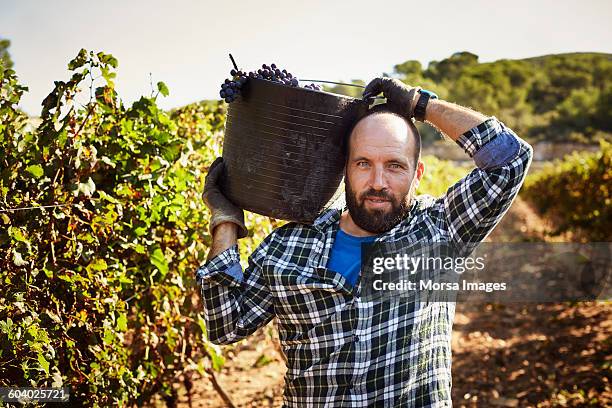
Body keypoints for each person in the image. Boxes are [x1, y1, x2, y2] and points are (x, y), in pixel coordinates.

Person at [196, 78, 533, 407]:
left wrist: (420, 104)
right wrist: (225, 220)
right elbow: (226, 326)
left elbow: (510, 158)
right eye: (363, 164)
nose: (377, 182)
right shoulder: (287, 247)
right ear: (345, 169)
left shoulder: (441, 228)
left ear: (417, 174)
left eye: (395, 166)